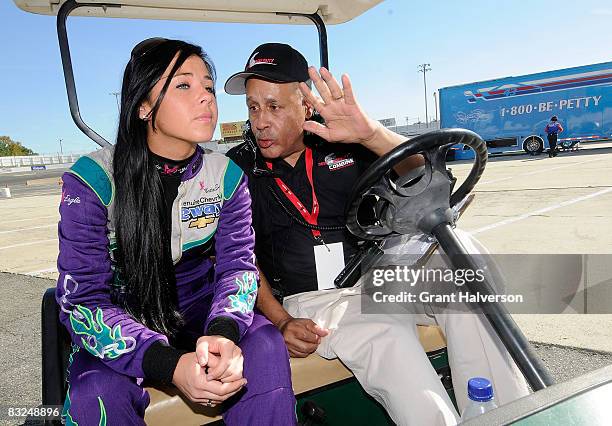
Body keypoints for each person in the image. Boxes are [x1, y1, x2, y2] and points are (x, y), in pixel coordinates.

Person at [226, 43, 530, 425]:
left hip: (377, 273)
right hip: (314, 297)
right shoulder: (237, 168)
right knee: (387, 339)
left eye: (274, 106)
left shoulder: (342, 140)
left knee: (463, 259)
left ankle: (507, 415)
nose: (261, 121)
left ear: (306, 105)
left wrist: (369, 133)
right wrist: (280, 320)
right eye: (253, 107)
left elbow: (425, 175)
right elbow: (239, 257)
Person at [56, 38, 295, 425]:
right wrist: (169, 364)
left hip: (201, 307)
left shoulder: (226, 176)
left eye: (208, 87)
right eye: (184, 85)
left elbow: (239, 268)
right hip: (122, 313)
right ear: (143, 106)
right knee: (96, 393)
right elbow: (83, 302)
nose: (205, 98)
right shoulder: (93, 181)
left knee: (266, 344)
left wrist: (223, 333)